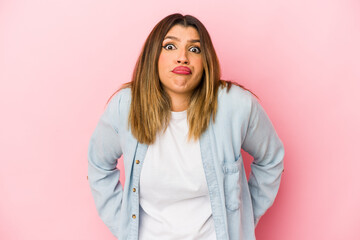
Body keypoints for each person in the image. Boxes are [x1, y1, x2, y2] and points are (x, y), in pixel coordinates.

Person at [87, 13, 284, 240]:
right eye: (170, 46)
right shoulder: (125, 106)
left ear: (205, 60)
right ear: (154, 56)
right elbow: (99, 165)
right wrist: (122, 225)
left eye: (194, 49)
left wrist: (241, 220)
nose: (182, 57)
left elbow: (271, 159)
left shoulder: (236, 106)